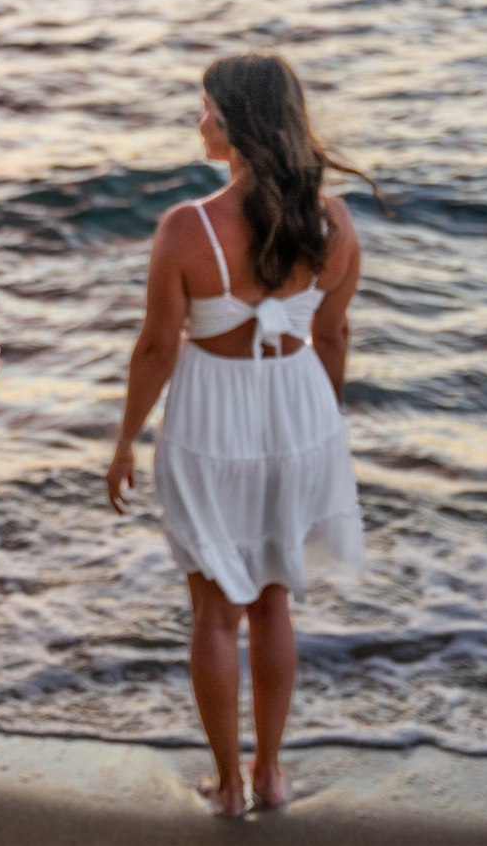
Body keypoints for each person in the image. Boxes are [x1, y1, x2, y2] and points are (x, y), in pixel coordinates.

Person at [106, 53, 369, 818]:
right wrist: (325, 427)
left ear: (233, 122)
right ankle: (273, 772)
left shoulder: (189, 227)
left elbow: (157, 348)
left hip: (213, 418)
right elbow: (333, 334)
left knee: (216, 612)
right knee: (274, 602)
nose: (199, 121)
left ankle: (226, 784)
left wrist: (125, 441)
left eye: (206, 109)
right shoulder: (336, 222)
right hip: (301, 413)